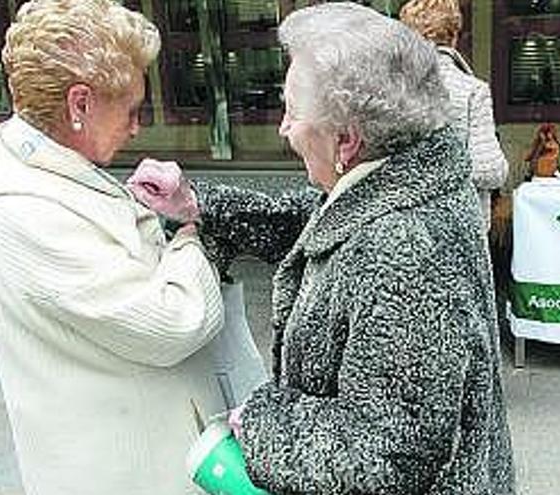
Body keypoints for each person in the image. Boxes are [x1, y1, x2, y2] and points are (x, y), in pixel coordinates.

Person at [136, 3, 515, 493]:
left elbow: (385, 450)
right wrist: (195, 203)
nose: (283, 127)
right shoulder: (408, 169)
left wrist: (261, 423)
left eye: (292, 111)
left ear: (347, 140)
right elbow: (322, 226)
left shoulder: (403, 250)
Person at [0, 1, 233, 493]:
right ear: (80, 104)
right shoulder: (27, 211)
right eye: (132, 108)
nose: (138, 126)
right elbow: (171, 324)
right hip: (119, 472)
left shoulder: (48, 172)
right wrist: (193, 236)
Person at [399, 0, 508, 235]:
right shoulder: (472, 91)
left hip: (404, 230)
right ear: (455, 36)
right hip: (460, 233)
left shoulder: (392, 91)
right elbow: (491, 171)